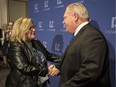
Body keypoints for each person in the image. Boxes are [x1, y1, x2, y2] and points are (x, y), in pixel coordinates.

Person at [59, 2, 111, 87]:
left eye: (65, 17)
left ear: (75, 16)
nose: (63, 22)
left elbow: (90, 73)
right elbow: (74, 61)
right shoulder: (82, 35)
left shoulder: (93, 36)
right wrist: (58, 68)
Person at [5, 17, 62, 87]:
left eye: (33, 27)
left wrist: (65, 59)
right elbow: (24, 68)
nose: (34, 30)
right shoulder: (15, 45)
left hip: (40, 82)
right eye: (30, 28)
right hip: (23, 84)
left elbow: (48, 55)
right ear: (22, 30)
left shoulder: (36, 42)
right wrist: (47, 70)